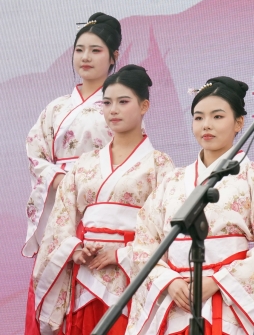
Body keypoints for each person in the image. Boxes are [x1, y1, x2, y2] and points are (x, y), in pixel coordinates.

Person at [32, 65, 174, 335]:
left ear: (144, 106)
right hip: (86, 274)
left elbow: (165, 230)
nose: (113, 110)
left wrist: (122, 254)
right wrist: (75, 249)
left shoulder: (159, 164)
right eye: (107, 103)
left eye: (123, 102)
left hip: (132, 276)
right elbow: (61, 220)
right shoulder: (85, 163)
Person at [126, 77, 254, 335]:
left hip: (227, 301)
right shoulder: (172, 180)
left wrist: (219, 280)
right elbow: (144, 241)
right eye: (198, 117)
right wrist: (168, 281)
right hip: (176, 300)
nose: (206, 125)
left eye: (218, 116)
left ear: (239, 122)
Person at [24, 12, 121, 335]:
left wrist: (91, 184)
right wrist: (60, 180)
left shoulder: (118, 106)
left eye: (95, 50)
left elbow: (128, 154)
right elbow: (35, 151)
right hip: (60, 203)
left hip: (98, 203)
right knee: (54, 271)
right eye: (80, 50)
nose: (85, 57)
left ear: (113, 57)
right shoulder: (56, 108)